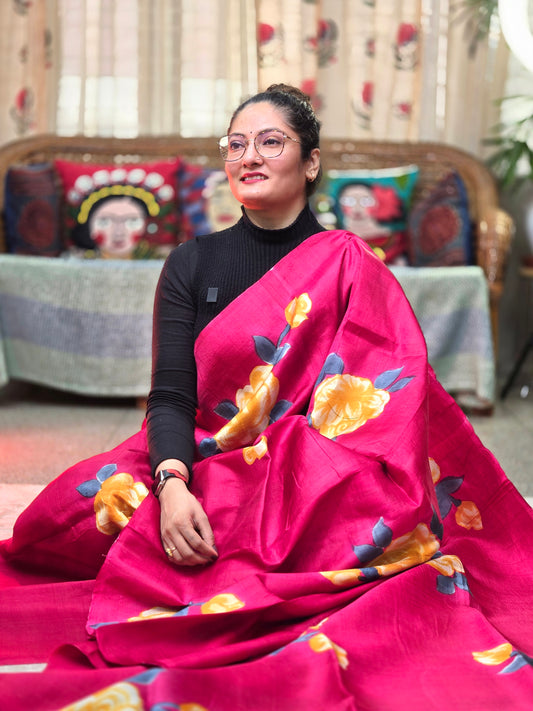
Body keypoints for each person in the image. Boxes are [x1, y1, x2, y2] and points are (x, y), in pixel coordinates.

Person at [1, 84, 533, 711]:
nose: (249, 156)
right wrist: (172, 483)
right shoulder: (191, 264)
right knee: (94, 503)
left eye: (271, 142)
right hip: (202, 455)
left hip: (315, 477)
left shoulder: (350, 264)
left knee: (340, 521)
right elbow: (171, 396)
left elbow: (385, 403)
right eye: (237, 144)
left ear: (310, 163)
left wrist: (284, 474)